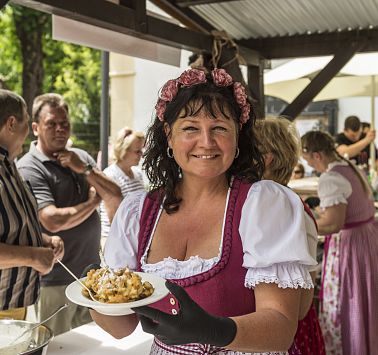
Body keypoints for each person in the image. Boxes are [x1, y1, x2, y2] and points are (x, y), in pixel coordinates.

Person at [89, 68, 317, 354]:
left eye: (219, 128)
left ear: (237, 138)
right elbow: (120, 327)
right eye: (190, 128)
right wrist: (95, 294)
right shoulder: (138, 213)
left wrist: (212, 329)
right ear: (169, 137)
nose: (206, 142)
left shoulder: (263, 205)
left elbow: (281, 327)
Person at [17, 93, 122, 335]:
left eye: (65, 124)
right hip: (54, 281)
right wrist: (93, 202)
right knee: (57, 347)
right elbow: (52, 221)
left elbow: (115, 194)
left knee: (93, 345)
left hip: (92, 276)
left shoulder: (81, 158)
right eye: (51, 124)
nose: (60, 129)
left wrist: (83, 168)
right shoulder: (29, 167)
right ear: (35, 128)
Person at [301, 130, 378, 355]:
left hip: (351, 246)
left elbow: (333, 224)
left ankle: (352, 346)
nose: (309, 165)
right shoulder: (349, 167)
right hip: (367, 238)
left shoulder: (331, 179)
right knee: (365, 296)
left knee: (349, 297)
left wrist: (304, 222)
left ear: (316, 155)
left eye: (307, 160)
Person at [255, 117, 325, 354]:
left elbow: (302, 306)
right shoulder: (287, 204)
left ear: (266, 159)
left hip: (291, 331)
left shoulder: (285, 210)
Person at [0, 90, 64, 320]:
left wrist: (43, 240)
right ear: (11, 124)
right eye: (27, 123)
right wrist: (32, 256)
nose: (28, 133)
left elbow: (12, 228)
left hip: (16, 306)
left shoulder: (10, 166)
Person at [100, 127, 146, 239]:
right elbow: (113, 218)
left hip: (133, 237)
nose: (142, 154)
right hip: (116, 239)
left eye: (142, 150)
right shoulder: (110, 175)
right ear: (123, 151)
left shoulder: (137, 174)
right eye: (137, 151)